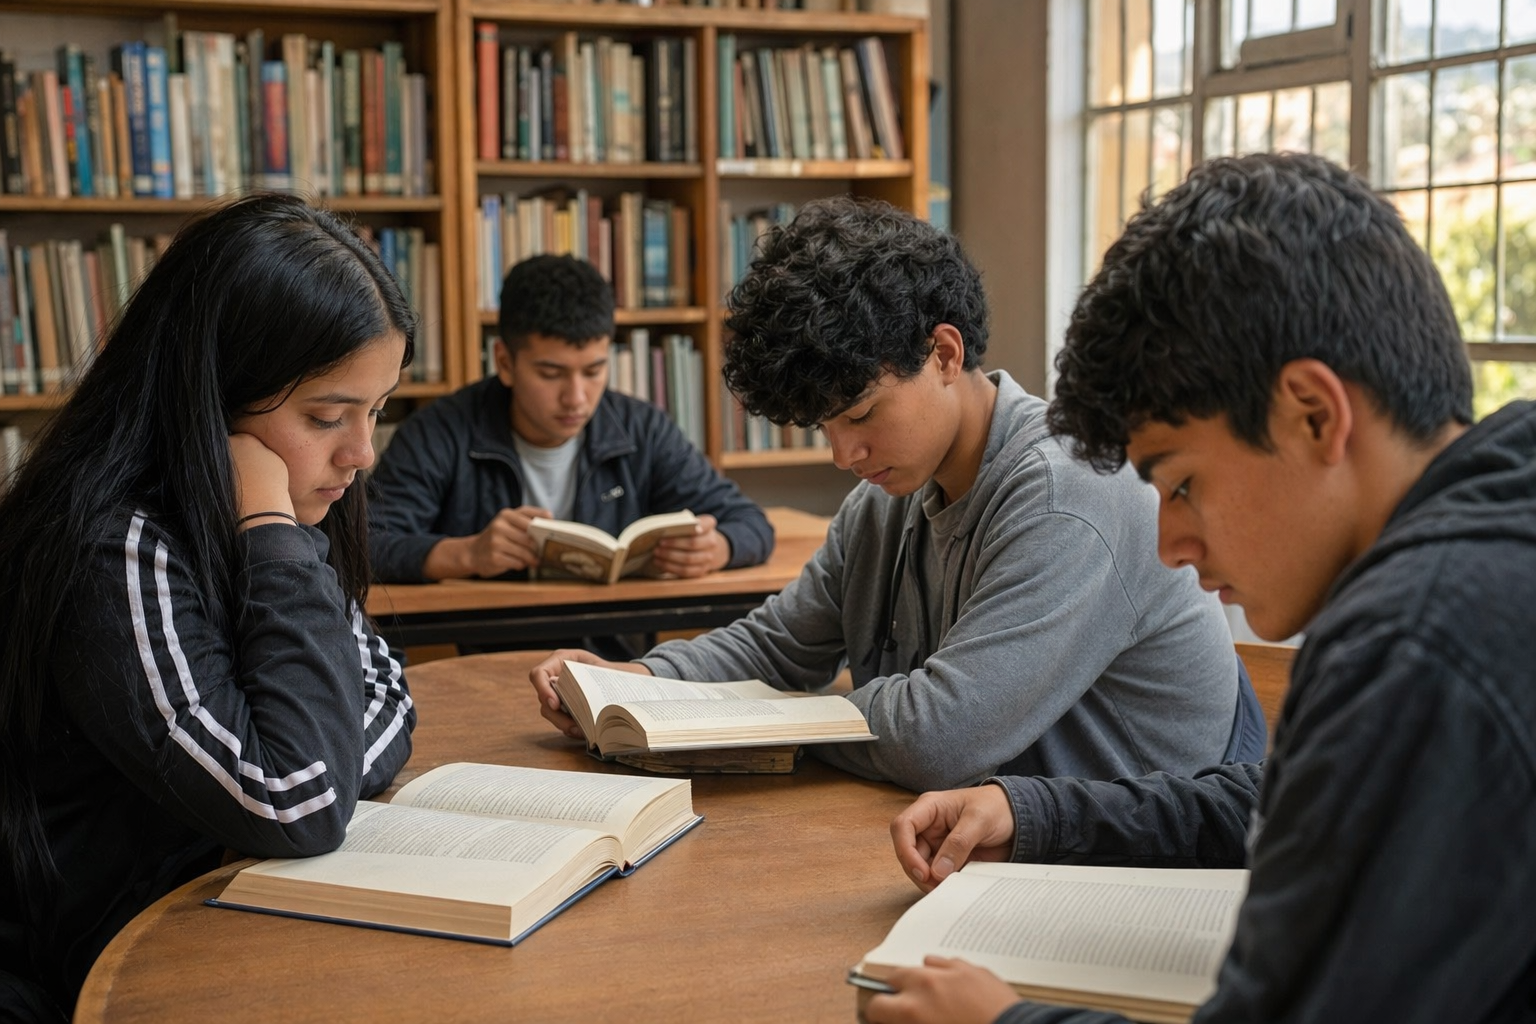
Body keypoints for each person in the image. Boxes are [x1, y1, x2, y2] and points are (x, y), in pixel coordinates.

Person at [873, 152, 1536, 1024]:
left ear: (1313, 414)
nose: (1172, 546)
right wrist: (1031, 812)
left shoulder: (1416, 645)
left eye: (1180, 483)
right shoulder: (1500, 499)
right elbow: (1282, 802)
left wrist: (1005, 1023)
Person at [529, 196, 1264, 794]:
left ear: (945, 354)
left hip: (1135, 872)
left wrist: (770, 723)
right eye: (825, 426)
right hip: (992, 847)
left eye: (860, 415)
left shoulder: (1066, 493)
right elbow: (782, 645)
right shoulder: (887, 498)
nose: (844, 454)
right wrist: (641, 682)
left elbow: (937, 741)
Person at [0, 195, 418, 1023]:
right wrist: (267, 528)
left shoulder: (293, 516)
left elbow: (388, 695)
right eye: (327, 416)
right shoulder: (113, 548)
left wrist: (311, 770)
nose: (362, 454)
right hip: (94, 973)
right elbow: (297, 802)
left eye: (376, 411)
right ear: (213, 400)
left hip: (211, 920)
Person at [366, 253, 774, 586]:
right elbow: (366, 545)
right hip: (485, 651)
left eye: (594, 371)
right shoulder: (440, 432)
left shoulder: (641, 429)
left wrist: (718, 547)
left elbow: (751, 523)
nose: (576, 398)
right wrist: (466, 553)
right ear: (505, 362)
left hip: (613, 660)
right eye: (551, 374)